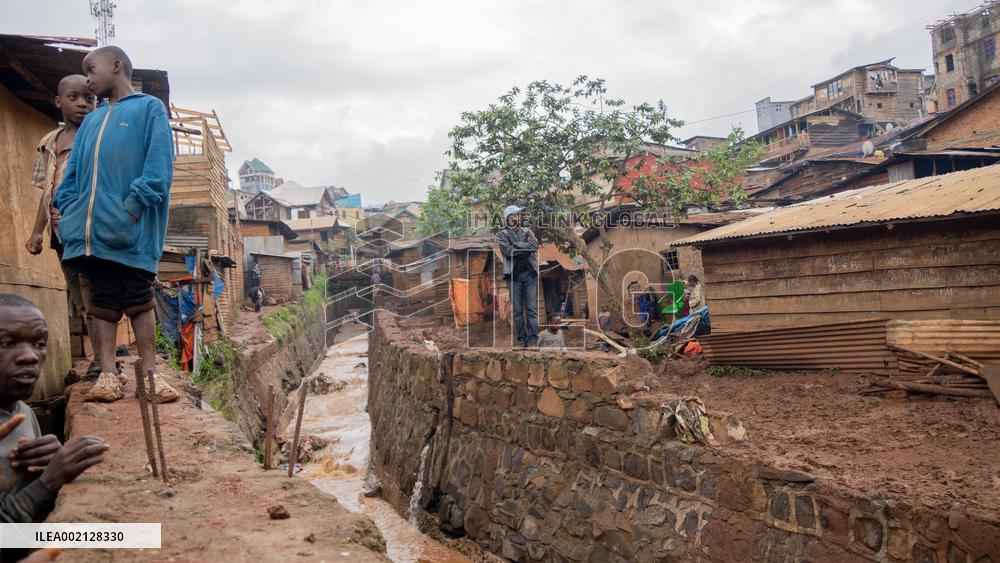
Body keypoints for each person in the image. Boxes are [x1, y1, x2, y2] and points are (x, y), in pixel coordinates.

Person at [53, 46, 174, 398]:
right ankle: (107, 375)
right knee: (102, 303)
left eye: (91, 69)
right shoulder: (91, 121)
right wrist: (69, 207)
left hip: (133, 229)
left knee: (139, 298)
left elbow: (159, 168)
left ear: (117, 66)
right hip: (93, 233)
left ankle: (150, 376)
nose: (88, 79)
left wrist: (132, 208)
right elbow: (73, 173)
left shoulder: (149, 108)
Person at [0, 294, 108, 525]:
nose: (30, 356)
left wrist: (46, 464)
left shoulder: (23, 412)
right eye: (7, 343)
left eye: (39, 344)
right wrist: (48, 483)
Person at [24, 75, 99, 378]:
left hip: (89, 230)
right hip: (60, 234)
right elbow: (47, 192)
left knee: (94, 294)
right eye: (74, 97)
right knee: (80, 297)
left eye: (89, 98)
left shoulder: (96, 138)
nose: (82, 104)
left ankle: (104, 362)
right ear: (58, 101)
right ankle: (101, 359)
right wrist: (36, 231)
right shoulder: (48, 143)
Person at [497, 205, 538, 348]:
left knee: (531, 309)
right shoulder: (502, 234)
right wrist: (525, 247)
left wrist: (516, 246)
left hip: (530, 276)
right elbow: (508, 252)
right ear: (509, 217)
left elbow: (534, 246)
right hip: (513, 278)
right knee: (517, 311)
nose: (519, 217)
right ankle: (521, 340)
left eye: (519, 215)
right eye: (516, 214)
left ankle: (533, 340)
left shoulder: (527, 231)